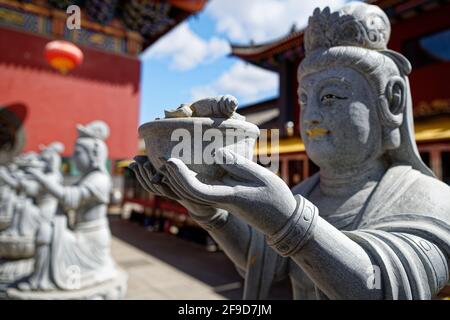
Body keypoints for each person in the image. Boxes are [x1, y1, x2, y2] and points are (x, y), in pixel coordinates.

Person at [131, 3, 450, 300]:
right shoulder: (305, 193)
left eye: (330, 97)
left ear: (392, 102)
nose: (309, 115)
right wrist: (208, 211)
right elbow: (260, 262)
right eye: (303, 99)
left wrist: (288, 219)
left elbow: (384, 287)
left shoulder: (431, 200)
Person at [17, 121, 118, 291]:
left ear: (94, 156)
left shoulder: (99, 179)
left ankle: (42, 281)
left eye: (78, 153)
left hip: (90, 239)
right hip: (79, 232)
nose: (74, 158)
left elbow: (69, 198)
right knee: (45, 228)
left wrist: (40, 178)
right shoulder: (86, 178)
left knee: (46, 232)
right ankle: (40, 278)